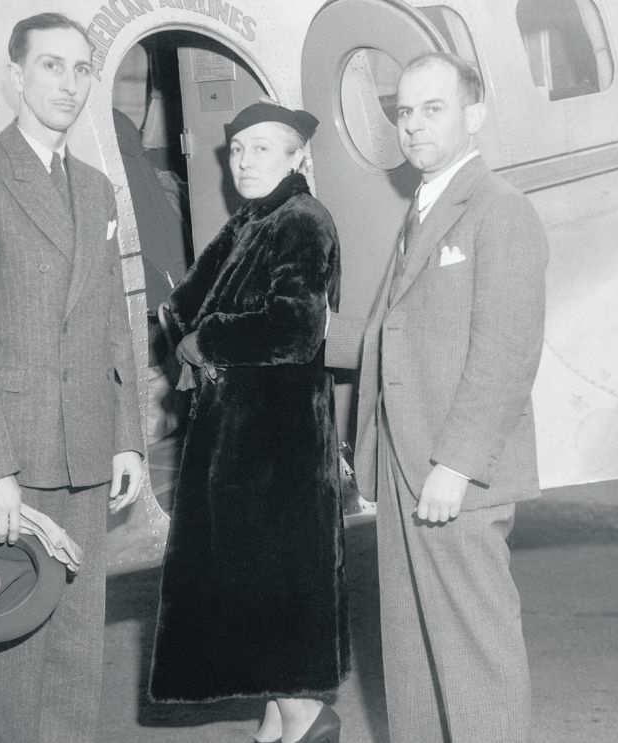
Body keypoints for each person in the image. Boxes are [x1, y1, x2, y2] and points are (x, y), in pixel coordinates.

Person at [0, 13, 144, 743]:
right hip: (13, 462)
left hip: (84, 449)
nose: (69, 85)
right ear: (15, 76)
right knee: (10, 660)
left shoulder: (95, 189)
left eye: (82, 69)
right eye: (52, 66)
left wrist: (127, 440)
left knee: (79, 657)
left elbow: (112, 320)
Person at [327, 52, 548, 743]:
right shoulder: (422, 208)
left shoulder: (499, 209)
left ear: (473, 114)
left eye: (432, 109)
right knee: (414, 651)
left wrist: (455, 463)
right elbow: (397, 333)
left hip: (453, 469)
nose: (413, 126)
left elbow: (506, 352)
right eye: (403, 112)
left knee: (475, 653)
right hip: (403, 461)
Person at [148, 101, 348, 743]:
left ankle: (307, 717)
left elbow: (295, 326)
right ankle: (277, 716)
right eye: (238, 149)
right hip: (234, 435)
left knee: (271, 578)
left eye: (263, 148)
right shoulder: (249, 223)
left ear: (297, 157)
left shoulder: (302, 221)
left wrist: (205, 343)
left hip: (279, 440)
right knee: (246, 582)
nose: (245, 160)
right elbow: (182, 306)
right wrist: (188, 334)